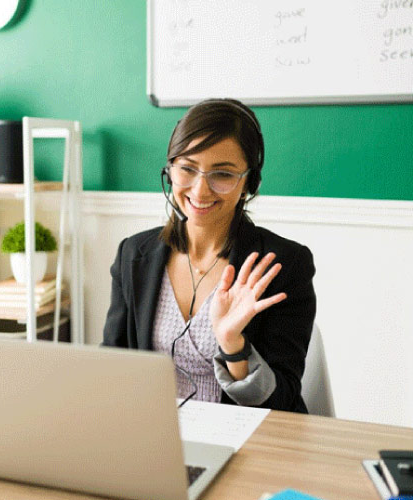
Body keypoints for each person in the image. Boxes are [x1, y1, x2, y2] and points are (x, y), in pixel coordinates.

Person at [102, 98, 316, 413]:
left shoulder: (283, 265)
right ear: (169, 171)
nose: (201, 190)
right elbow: (111, 366)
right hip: (153, 438)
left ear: (248, 184)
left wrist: (234, 346)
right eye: (187, 169)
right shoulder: (133, 255)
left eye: (223, 174)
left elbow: (282, 403)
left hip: (245, 442)